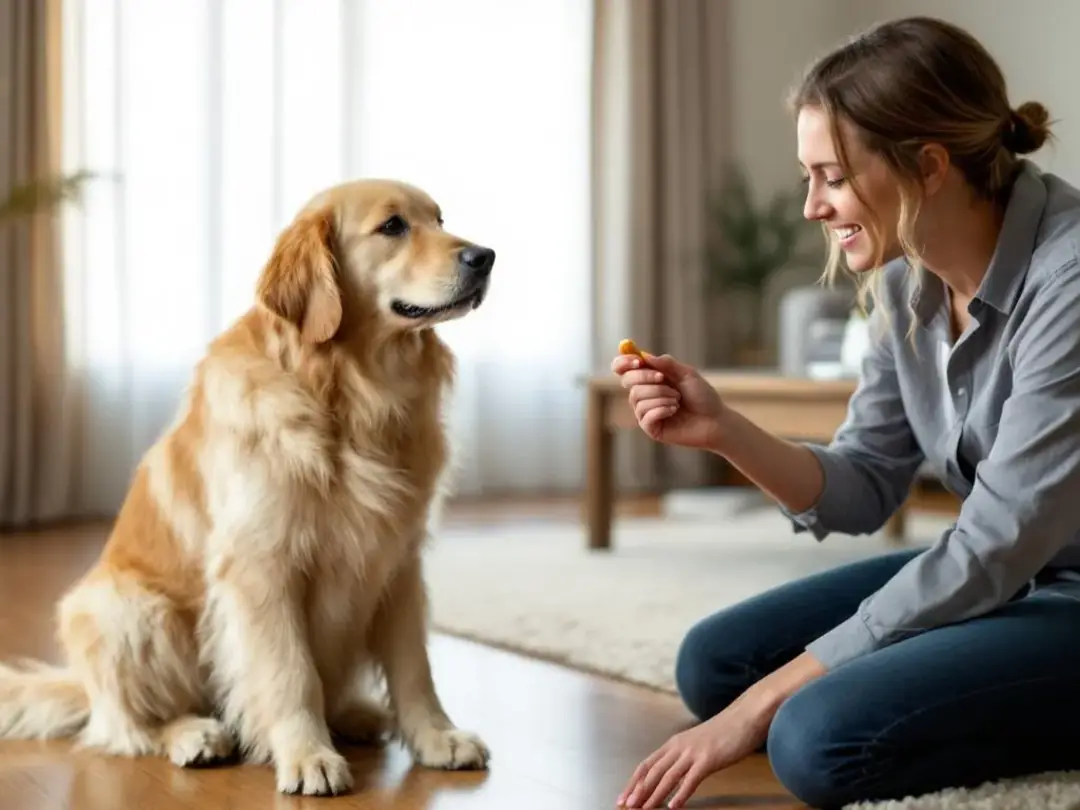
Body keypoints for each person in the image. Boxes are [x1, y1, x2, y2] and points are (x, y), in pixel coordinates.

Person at [611, 15, 1080, 810]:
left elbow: (999, 540)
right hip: (1013, 576)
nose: (811, 208)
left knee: (814, 736)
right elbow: (864, 485)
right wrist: (723, 430)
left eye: (830, 177)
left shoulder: (1068, 281)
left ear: (928, 166)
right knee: (717, 664)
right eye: (809, 178)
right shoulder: (907, 279)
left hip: (1049, 582)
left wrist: (762, 706)